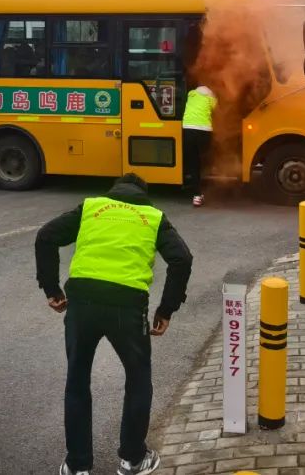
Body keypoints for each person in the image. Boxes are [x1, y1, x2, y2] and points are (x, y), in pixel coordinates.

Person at [36, 174, 193, 475]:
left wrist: (52, 290)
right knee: (138, 378)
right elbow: (182, 259)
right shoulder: (153, 216)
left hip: (82, 300)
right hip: (128, 305)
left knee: (77, 381)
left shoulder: (92, 207)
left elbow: (46, 236)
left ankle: (78, 465)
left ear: (114, 191)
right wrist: (166, 309)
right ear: (143, 195)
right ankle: (133, 459)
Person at [181, 84, 217, 207]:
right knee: (204, 160)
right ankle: (206, 187)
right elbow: (215, 110)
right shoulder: (210, 98)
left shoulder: (191, 94)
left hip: (188, 129)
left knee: (193, 162)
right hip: (203, 130)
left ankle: (196, 195)